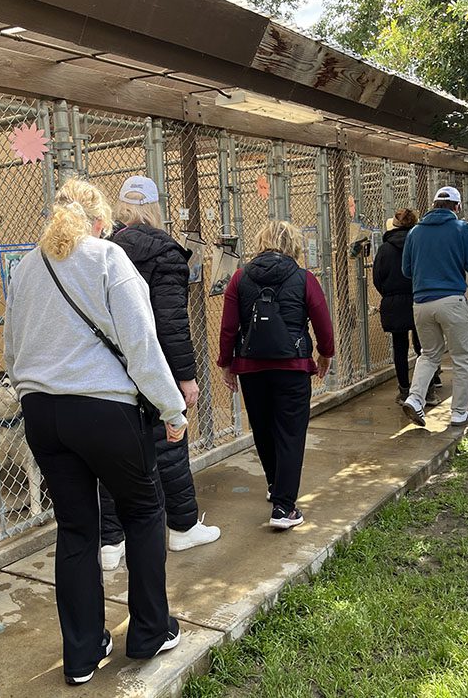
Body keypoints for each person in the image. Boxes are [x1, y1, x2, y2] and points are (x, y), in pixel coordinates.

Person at [5, 179, 185, 686]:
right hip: (105, 409)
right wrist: (172, 409)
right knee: (144, 510)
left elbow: (13, 353)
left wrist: (30, 393)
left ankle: (82, 652)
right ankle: (150, 630)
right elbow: (141, 342)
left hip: (43, 412)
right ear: (101, 220)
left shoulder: (26, 269)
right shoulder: (109, 257)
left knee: (77, 528)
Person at [99, 176, 220, 572]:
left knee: (113, 450)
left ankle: (110, 540)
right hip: (153, 364)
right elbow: (171, 323)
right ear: (155, 209)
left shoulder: (103, 251)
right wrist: (185, 377)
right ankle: (183, 526)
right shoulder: (166, 252)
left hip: (109, 366)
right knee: (170, 442)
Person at [217, 220, 334, 530]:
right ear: (293, 245)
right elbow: (322, 320)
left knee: (263, 429)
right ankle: (284, 507)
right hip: (292, 367)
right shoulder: (304, 278)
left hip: (251, 367)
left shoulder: (239, 278)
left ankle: (274, 485)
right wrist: (325, 353)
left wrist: (226, 363)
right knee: (290, 433)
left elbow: (229, 326)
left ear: (261, 242)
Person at [401, 186, 468, 428]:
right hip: (452, 301)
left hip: (421, 303)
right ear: (457, 207)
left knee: (428, 354)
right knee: (461, 358)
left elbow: (407, 270)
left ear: (434, 205)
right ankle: (459, 412)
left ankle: (415, 399)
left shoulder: (415, 232)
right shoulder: (462, 228)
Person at [372, 209, 441, 405]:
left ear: (394, 224)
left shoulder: (385, 249)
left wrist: (388, 293)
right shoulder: (421, 244)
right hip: (420, 297)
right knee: (425, 347)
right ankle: (428, 390)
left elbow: (377, 277)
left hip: (394, 301)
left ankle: (404, 389)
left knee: (400, 346)